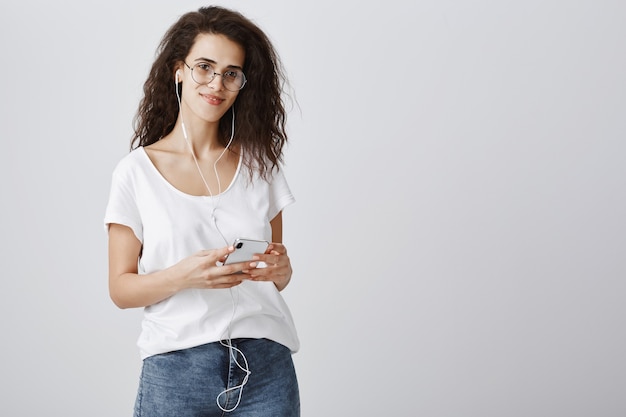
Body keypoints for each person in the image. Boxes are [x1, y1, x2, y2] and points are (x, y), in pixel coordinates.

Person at [104, 6, 300, 416]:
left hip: (265, 369)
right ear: (179, 70)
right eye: (205, 67)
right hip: (177, 371)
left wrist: (281, 272)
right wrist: (185, 276)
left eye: (232, 73)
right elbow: (121, 289)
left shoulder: (260, 166)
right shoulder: (136, 173)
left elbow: (274, 271)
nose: (217, 84)